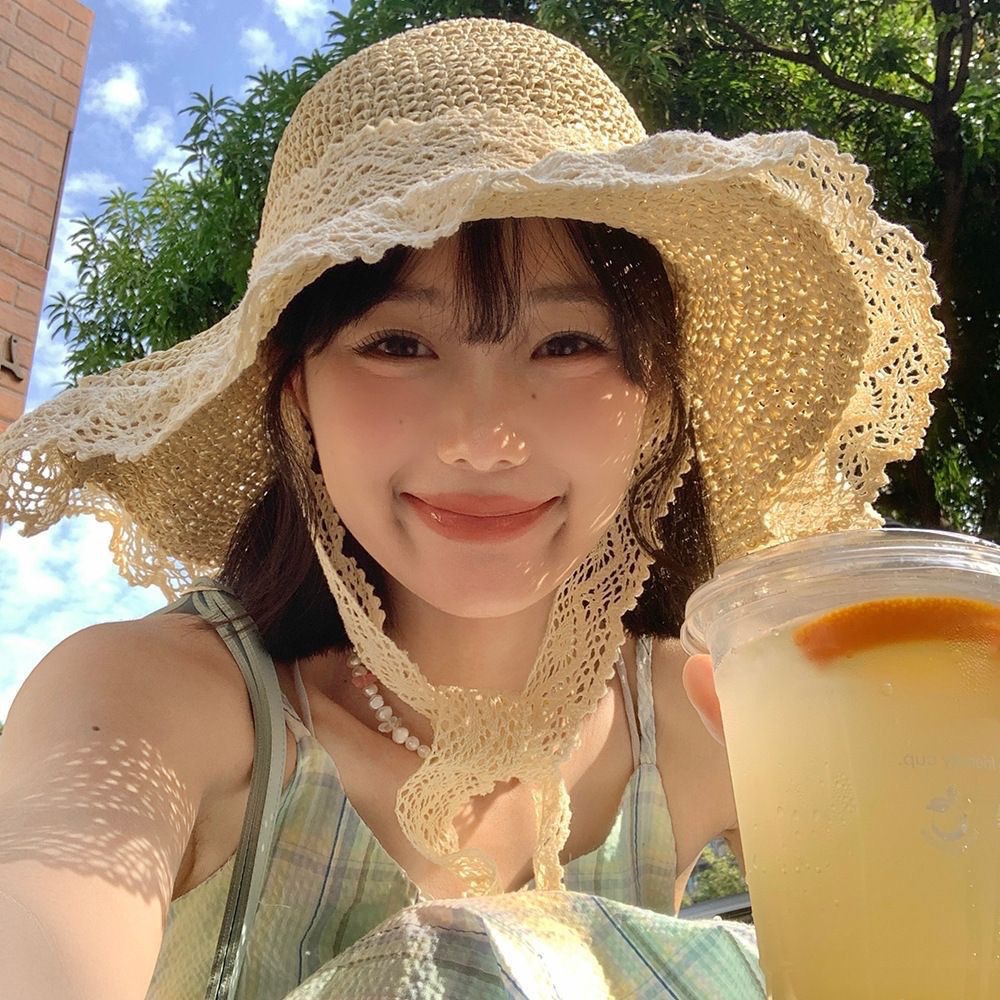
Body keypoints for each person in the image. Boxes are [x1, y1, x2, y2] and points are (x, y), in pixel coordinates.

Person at [0, 16, 946, 1000]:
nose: (485, 437)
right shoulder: (153, 702)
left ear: (657, 397)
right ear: (298, 394)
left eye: (567, 343)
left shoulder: (712, 715)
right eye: (398, 344)